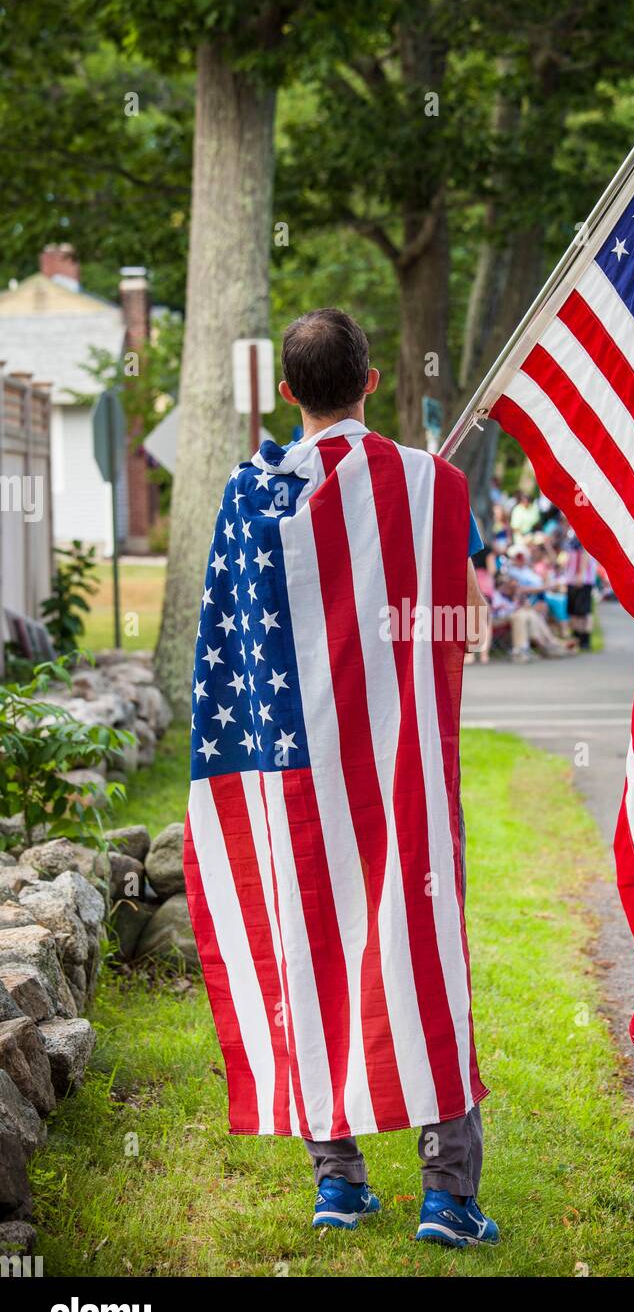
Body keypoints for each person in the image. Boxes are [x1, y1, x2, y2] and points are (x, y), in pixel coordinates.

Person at [184, 309, 498, 1251]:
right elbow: (467, 615)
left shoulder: (248, 499)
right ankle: (446, 1197)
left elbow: (229, 653)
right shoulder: (430, 485)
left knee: (309, 952)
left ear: (289, 394)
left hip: (291, 790)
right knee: (422, 959)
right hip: (399, 779)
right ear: (370, 381)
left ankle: (340, 1182)